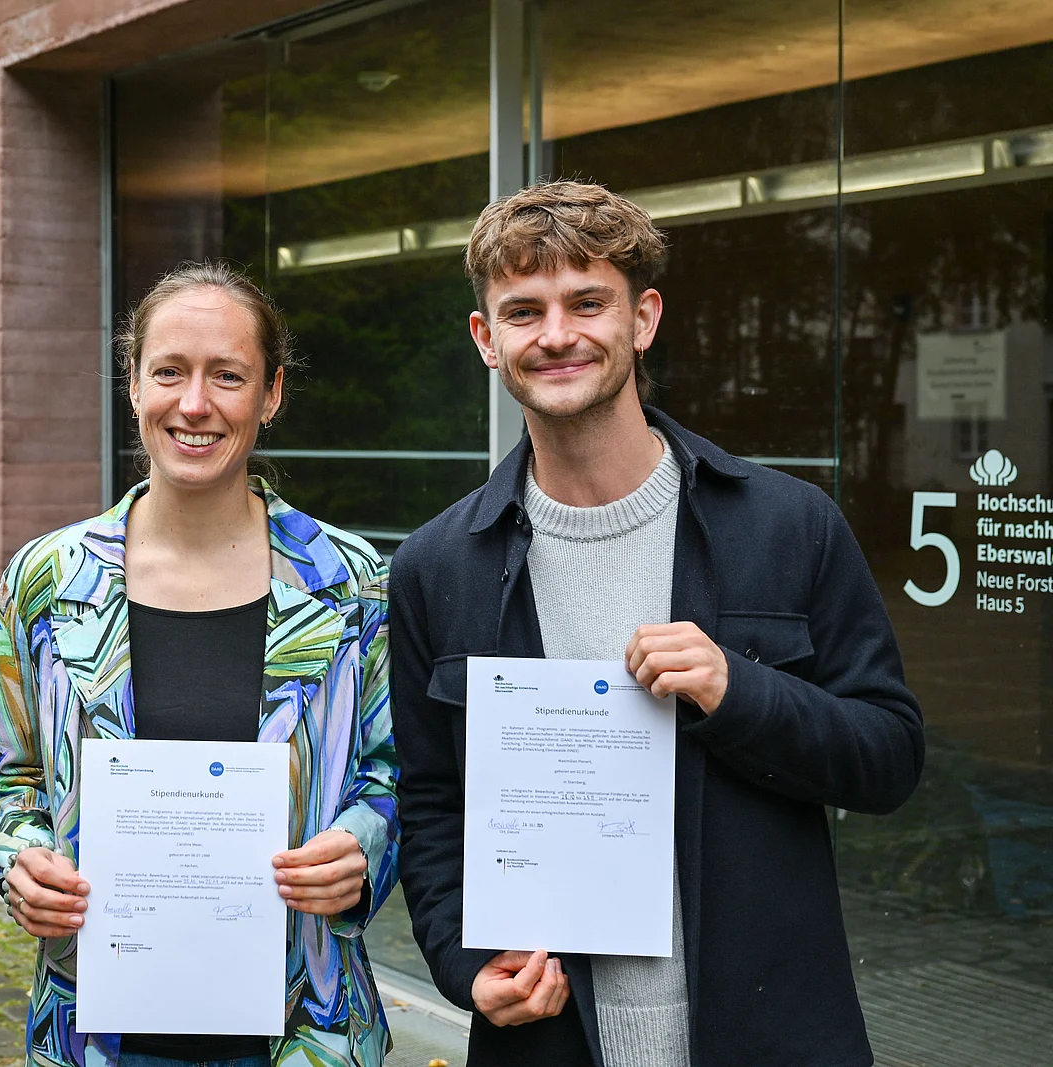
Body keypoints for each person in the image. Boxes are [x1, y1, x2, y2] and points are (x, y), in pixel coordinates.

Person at [390, 181, 924, 1067]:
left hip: (768, 1038)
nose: (557, 334)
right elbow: (434, 801)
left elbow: (890, 756)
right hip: (550, 1044)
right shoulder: (437, 566)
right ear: (488, 340)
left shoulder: (788, 526)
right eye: (523, 311)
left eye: (587, 302)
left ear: (643, 318)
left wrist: (738, 689)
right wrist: (462, 964)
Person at [0, 262, 399, 1067]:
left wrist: (361, 847)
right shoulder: (45, 579)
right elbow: (11, 776)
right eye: (168, 370)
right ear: (132, 383)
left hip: (303, 1025)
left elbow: (391, 775)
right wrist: (20, 863)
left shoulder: (347, 579)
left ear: (270, 394)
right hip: (94, 1026)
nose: (194, 403)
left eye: (228, 375)